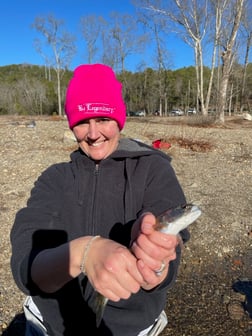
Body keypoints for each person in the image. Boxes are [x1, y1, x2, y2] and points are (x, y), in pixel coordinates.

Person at [10, 63, 190, 336]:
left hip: (131, 327)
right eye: (82, 122)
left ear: (119, 119)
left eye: (103, 119)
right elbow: (26, 266)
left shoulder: (154, 169)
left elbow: (168, 255)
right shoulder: (54, 178)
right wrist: (83, 253)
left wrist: (156, 261)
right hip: (53, 324)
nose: (93, 134)